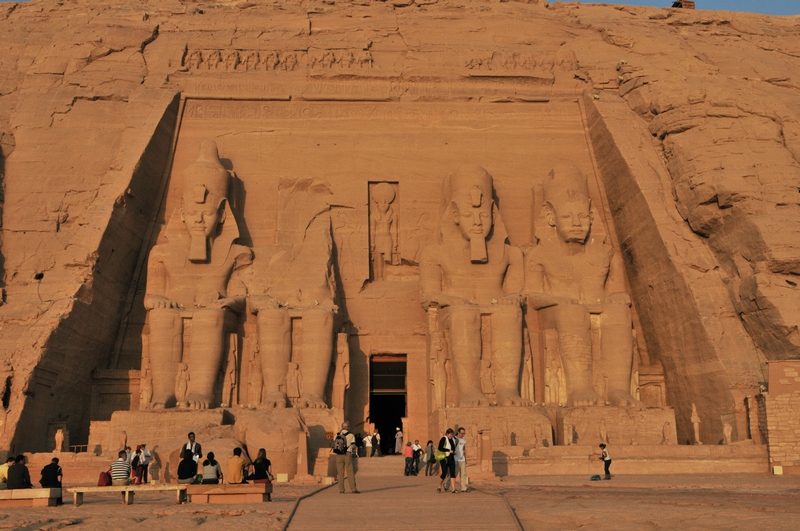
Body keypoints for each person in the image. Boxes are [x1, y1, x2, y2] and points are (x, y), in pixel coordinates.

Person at [333, 421, 360, 494]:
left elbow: (334, 442)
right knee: (350, 472)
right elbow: (353, 445)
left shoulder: (337, 435)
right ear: (348, 427)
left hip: (338, 454)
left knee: (340, 473)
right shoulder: (351, 435)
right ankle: (353, 489)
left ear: (342, 427)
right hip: (347, 454)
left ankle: (341, 489)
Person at [445, 427, 468, 492]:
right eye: (461, 433)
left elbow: (463, 449)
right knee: (454, 474)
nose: (463, 434)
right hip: (455, 459)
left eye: (464, 433)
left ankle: (463, 487)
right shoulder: (454, 439)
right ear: (458, 432)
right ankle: (446, 484)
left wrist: (465, 458)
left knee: (463, 473)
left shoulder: (464, 441)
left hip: (462, 459)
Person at [437, 429, 457, 493]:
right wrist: (448, 450)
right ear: (447, 434)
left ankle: (453, 489)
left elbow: (453, 448)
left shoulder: (453, 440)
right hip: (444, 458)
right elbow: (440, 447)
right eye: (450, 434)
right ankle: (439, 485)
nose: (451, 435)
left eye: (452, 434)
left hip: (451, 458)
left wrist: (454, 451)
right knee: (444, 473)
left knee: (452, 473)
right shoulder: (443, 439)